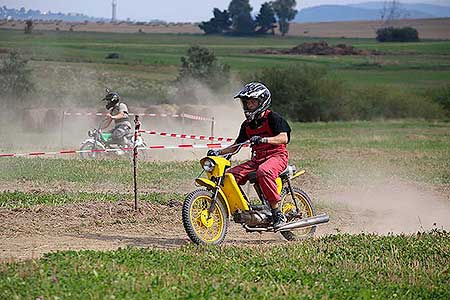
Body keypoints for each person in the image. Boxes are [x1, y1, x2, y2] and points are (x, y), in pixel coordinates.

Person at [208, 82, 291, 228]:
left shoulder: (273, 118)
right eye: (247, 102)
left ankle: (277, 212)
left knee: (264, 172)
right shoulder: (247, 125)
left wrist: (264, 139)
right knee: (229, 176)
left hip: (277, 156)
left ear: (262, 102)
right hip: (257, 158)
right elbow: (236, 146)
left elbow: (284, 138)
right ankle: (246, 210)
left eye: (253, 102)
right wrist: (218, 152)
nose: (249, 105)